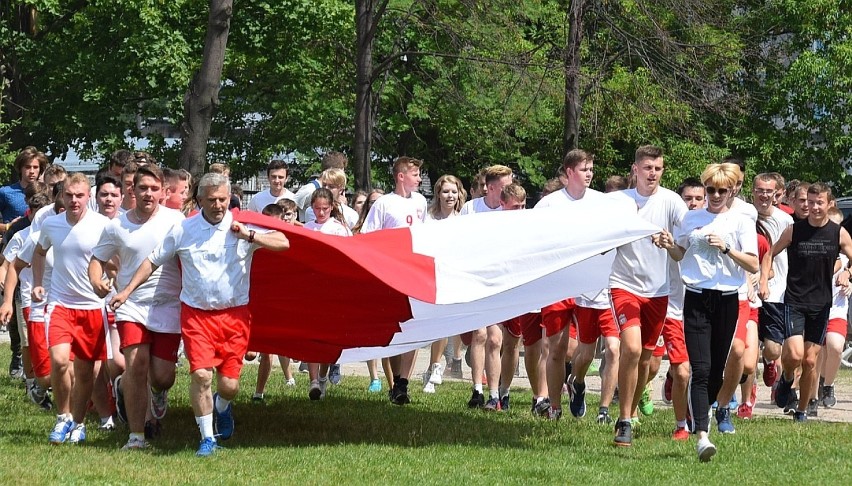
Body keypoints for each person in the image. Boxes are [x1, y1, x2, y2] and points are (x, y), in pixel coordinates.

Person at [110, 172, 289, 456]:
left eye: (223, 199)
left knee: (229, 386)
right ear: (200, 201)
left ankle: (222, 406)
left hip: (235, 317)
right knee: (202, 376)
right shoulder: (184, 229)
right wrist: (127, 290)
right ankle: (207, 438)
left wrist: (251, 235)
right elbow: (152, 261)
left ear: (229, 198)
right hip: (196, 316)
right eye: (212, 200)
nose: (218, 205)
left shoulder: (241, 225)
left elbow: (284, 242)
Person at [662, 163, 758, 461]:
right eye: (711, 190)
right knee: (700, 369)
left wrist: (727, 248)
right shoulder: (691, 218)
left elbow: (753, 264)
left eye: (722, 190)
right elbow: (681, 254)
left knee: (717, 370)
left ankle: (704, 411)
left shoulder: (741, 221)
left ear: (732, 191)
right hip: (696, 298)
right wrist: (669, 246)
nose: (715, 195)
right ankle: (702, 435)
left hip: (728, 299)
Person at [89, 165, 185, 450]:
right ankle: (136, 436)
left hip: (168, 305)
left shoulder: (176, 220)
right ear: (132, 190)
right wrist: (97, 282)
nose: (148, 194)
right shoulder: (117, 225)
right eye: (143, 188)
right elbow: (97, 260)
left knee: (163, 376)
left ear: (164, 192)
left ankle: (156, 394)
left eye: (155, 189)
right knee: (136, 364)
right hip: (130, 304)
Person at [608, 145, 687, 447]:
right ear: (636, 170)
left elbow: (681, 253)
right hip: (624, 284)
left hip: (658, 292)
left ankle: (630, 410)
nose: (653, 173)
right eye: (648, 168)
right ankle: (624, 419)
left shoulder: (671, 201)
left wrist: (670, 243)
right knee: (630, 347)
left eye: (658, 168)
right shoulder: (618, 201)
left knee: (645, 361)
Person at [30, 173, 111, 445]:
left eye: (80, 195)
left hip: (92, 308)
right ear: (61, 196)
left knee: (87, 372)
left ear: (89, 196)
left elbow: (115, 261)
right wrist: (38, 283)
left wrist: (106, 282)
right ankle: (63, 416)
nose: (74, 200)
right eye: (69, 195)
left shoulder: (103, 225)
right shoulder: (51, 224)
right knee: (60, 360)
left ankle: (78, 423)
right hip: (60, 304)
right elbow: (39, 253)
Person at [770, 182, 852, 421]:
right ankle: (786, 379)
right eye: (810, 202)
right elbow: (770, 253)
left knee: (809, 360)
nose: (814, 207)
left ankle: (803, 410)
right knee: (795, 355)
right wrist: (765, 277)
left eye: (819, 203)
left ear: (829, 204)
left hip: (822, 304)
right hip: (795, 300)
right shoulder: (795, 230)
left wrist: (848, 272)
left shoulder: (838, 233)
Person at [535, 149, 605, 421]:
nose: (589, 174)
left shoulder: (602, 203)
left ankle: (577, 381)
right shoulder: (550, 205)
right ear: (568, 173)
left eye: (591, 169)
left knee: (586, 350)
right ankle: (554, 407)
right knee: (556, 347)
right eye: (583, 169)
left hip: (591, 285)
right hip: (558, 284)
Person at [361, 156, 427, 404]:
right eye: (415, 174)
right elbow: (369, 236)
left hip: (413, 273)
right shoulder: (384, 204)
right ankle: (393, 380)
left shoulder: (420, 201)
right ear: (401, 176)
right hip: (390, 273)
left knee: (415, 325)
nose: (419, 179)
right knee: (394, 327)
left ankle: (403, 383)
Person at [459, 164, 514, 410]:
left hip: (499, 281)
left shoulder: (508, 211)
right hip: (475, 280)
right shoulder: (472, 209)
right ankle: (477, 390)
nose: (510, 189)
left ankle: (495, 395)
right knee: (479, 335)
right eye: (505, 186)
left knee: (495, 338)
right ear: (491, 188)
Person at [420, 175, 467, 393]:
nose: (450, 196)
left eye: (454, 192)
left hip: (453, 275)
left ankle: (436, 366)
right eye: (446, 191)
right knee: (433, 322)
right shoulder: (428, 218)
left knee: (445, 321)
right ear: (438, 193)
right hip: (430, 274)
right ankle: (432, 366)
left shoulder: (463, 219)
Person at [753, 173, 794, 399]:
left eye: (769, 191)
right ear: (753, 191)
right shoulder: (744, 216)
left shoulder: (785, 220)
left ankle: (769, 360)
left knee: (774, 348)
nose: (764, 195)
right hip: (745, 290)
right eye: (760, 190)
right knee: (744, 353)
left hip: (775, 291)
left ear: (777, 193)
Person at [816, 207, 848, 409]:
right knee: (818, 352)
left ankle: (828, 385)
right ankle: (816, 384)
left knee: (835, 347)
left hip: (836, 309)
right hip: (815, 308)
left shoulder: (846, 255)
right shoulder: (814, 249)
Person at [294, 151, 348, 222]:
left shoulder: (338, 192)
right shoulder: (309, 190)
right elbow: (286, 208)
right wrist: (305, 227)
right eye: (342, 170)